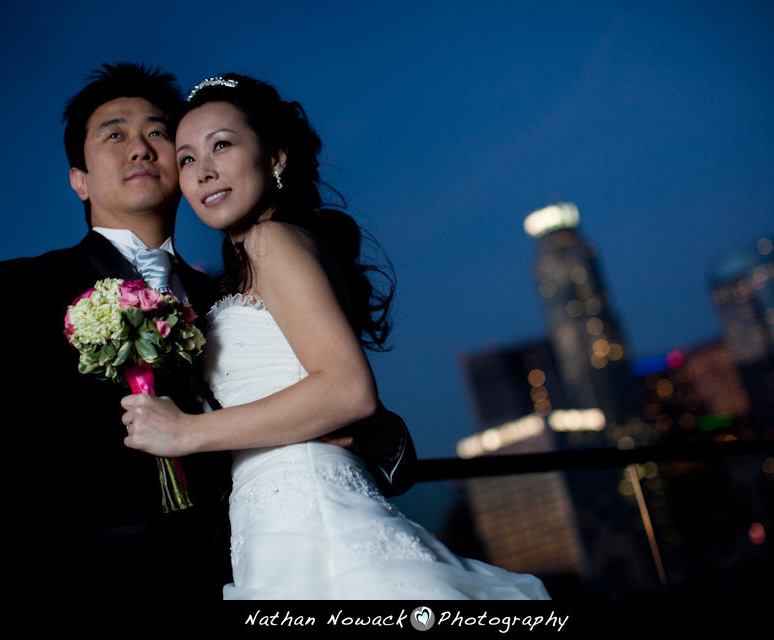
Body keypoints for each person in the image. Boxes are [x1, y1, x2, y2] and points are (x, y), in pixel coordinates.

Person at [0, 62, 415, 600]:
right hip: (107, 588)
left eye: (158, 133)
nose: (140, 148)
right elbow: (10, 471)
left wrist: (376, 432)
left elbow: (337, 398)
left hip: (251, 567)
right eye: (115, 134)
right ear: (79, 179)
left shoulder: (227, 294)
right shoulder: (29, 286)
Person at [120, 73, 550, 599]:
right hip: (273, 525)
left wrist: (185, 433)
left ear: (275, 158)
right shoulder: (253, 262)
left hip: (314, 519)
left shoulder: (270, 239)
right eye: (186, 159)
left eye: (222, 145)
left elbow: (348, 390)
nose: (203, 172)